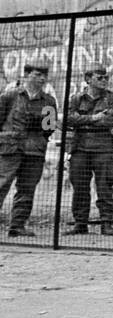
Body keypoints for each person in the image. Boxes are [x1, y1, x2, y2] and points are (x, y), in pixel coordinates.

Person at [0, 64, 58, 237]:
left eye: (44, 75)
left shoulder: (48, 101)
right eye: (38, 74)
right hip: (11, 148)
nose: (42, 78)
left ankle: (17, 226)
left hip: (34, 150)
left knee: (27, 189)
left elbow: (49, 127)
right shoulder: (10, 96)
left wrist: (38, 128)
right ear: (26, 75)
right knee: (2, 184)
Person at [65, 66, 113, 236]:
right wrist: (93, 118)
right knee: (80, 187)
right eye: (100, 78)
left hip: (103, 147)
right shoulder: (76, 99)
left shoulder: (112, 98)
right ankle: (80, 223)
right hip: (80, 148)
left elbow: (110, 120)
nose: (104, 80)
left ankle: (106, 222)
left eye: (106, 77)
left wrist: (82, 121)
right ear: (88, 79)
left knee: (104, 186)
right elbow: (69, 119)